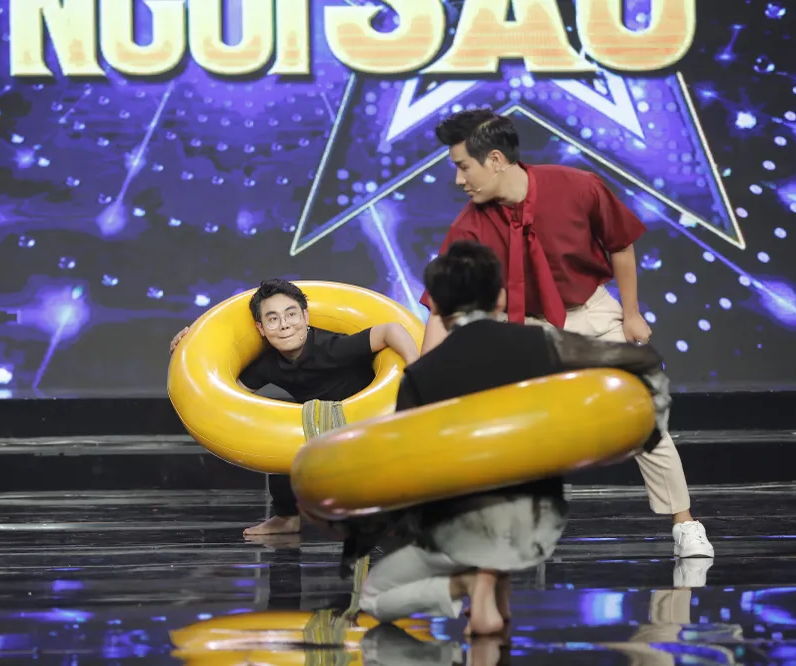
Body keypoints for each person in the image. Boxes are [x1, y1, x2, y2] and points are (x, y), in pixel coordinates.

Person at [301, 240, 675, 636]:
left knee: (375, 596)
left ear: (437, 308)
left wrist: (358, 528)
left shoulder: (421, 376)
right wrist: (650, 426)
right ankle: (493, 580)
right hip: (537, 524)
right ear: (500, 297)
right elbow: (641, 359)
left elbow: (408, 472)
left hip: (460, 533)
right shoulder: (539, 343)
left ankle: (468, 583)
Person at [420, 109, 713, 560]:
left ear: (495, 159)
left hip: (591, 310)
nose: (460, 180)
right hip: (525, 325)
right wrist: (423, 377)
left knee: (643, 414)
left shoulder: (578, 187)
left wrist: (631, 313)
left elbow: (620, 245)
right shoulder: (469, 227)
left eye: (463, 167)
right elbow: (442, 306)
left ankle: (684, 522)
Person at [169, 278, 419, 536]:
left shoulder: (331, 346)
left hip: (370, 421)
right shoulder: (269, 364)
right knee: (279, 431)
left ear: (306, 317)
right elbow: (225, 394)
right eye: (273, 319)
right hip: (316, 429)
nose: (285, 325)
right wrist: (187, 350)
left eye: (291, 314)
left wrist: (415, 368)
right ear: (261, 328)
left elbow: (391, 330)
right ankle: (286, 518)